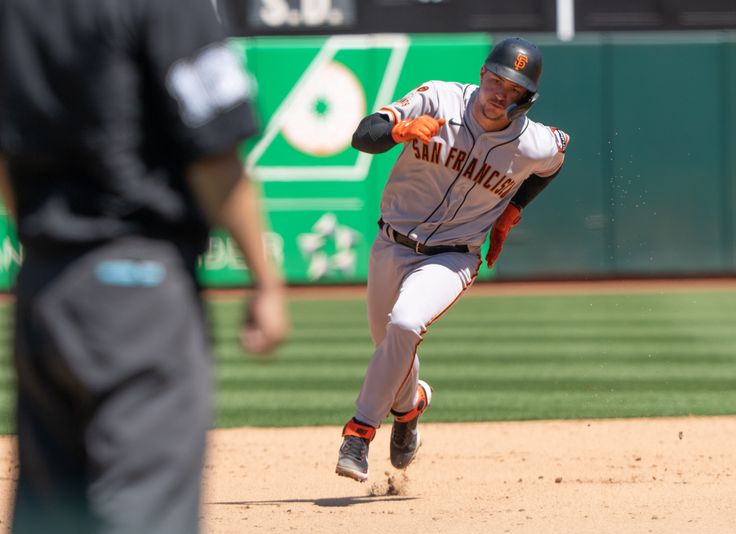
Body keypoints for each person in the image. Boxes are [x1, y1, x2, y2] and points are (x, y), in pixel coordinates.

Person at [0, 0, 289, 532]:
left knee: (51, 514)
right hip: (137, 289)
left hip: (43, 289)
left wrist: (47, 251)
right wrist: (265, 281)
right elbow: (215, 152)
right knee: (144, 511)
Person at [335, 37, 569, 482]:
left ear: (526, 98)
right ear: (482, 73)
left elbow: (556, 160)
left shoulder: (533, 142)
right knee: (389, 343)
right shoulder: (438, 98)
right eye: (496, 79)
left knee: (404, 325)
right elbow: (363, 135)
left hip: (454, 257)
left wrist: (509, 214)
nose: (500, 93)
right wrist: (396, 133)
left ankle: (358, 433)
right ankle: (409, 408)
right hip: (391, 244)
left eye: (513, 88)